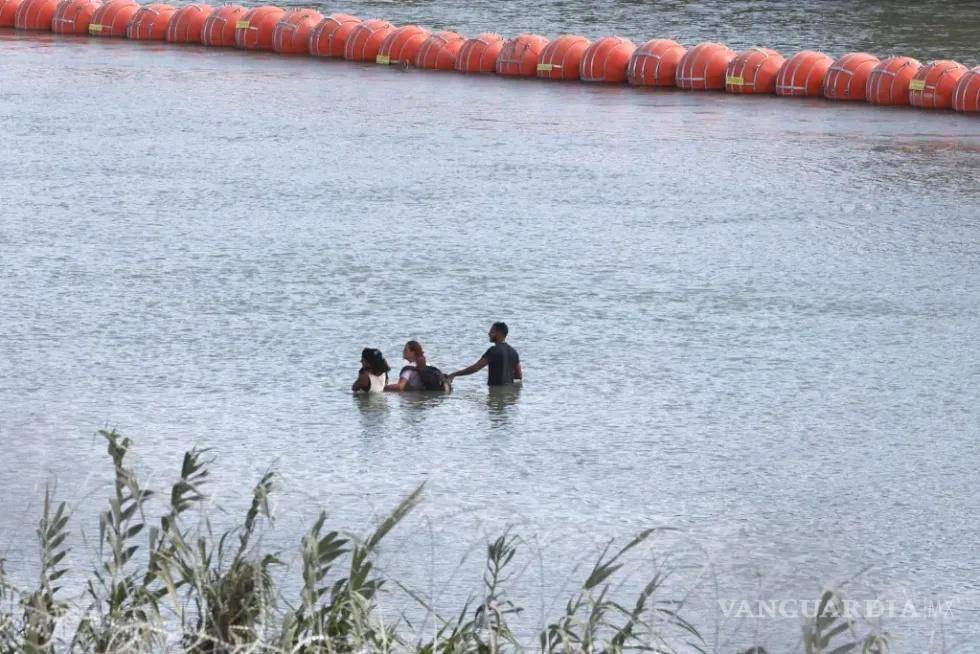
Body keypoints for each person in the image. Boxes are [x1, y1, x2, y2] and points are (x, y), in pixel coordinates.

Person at [448, 322, 522, 386]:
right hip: (509, 393)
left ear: (499, 333)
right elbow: (519, 376)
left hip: (495, 391)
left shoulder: (493, 351)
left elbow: (475, 368)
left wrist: (454, 374)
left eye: (492, 331)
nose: (489, 334)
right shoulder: (514, 352)